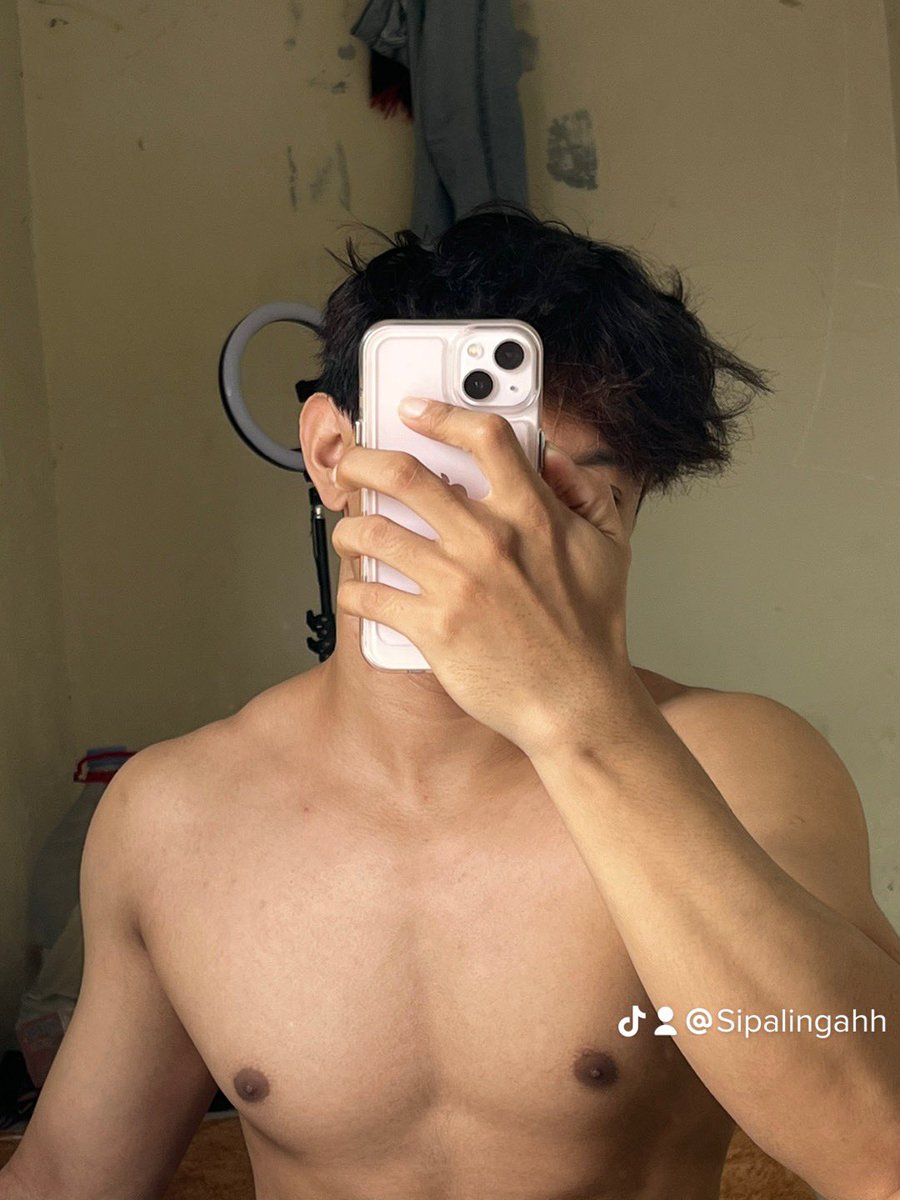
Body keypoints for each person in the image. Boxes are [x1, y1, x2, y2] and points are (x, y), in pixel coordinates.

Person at [3, 203, 899, 1200]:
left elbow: (881, 1145)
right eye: (455, 478)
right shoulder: (171, 815)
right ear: (331, 453)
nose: (498, 546)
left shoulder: (741, 766)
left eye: (566, 501)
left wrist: (578, 719)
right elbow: (66, 1179)